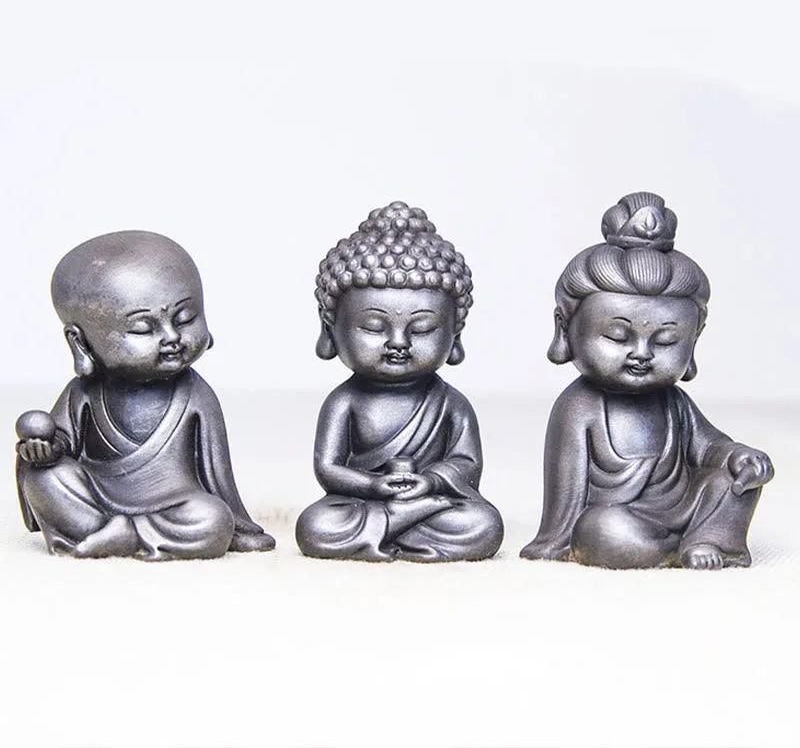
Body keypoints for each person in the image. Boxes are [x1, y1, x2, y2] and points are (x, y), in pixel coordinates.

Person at [520, 192, 774, 569]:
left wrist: (738, 456)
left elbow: (708, 447)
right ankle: (679, 547)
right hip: (620, 519)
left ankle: (705, 539)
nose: (642, 353)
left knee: (732, 483)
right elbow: (567, 496)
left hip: (683, 507)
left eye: (666, 340)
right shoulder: (579, 407)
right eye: (618, 336)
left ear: (694, 339)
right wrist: (559, 537)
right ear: (565, 329)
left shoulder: (674, 403)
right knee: (601, 528)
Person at [15, 230, 275, 560]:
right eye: (143, 329)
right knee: (44, 478)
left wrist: (237, 527)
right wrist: (44, 450)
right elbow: (63, 442)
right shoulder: (83, 393)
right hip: (95, 495)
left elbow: (216, 474)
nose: (172, 337)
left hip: (175, 504)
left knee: (213, 519)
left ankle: (124, 535)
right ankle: (107, 530)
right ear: (80, 342)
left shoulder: (196, 395)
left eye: (185, 318)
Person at [296, 201, 504, 561]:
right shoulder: (344, 402)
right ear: (330, 329)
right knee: (316, 525)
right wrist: (373, 484)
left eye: (421, 328)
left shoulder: (451, 404)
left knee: (484, 524)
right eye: (374, 327)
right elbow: (328, 468)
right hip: (364, 502)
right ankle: (398, 524)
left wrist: (431, 481)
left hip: (429, 500)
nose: (398, 343)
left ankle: (393, 526)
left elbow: (467, 464)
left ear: (455, 334)